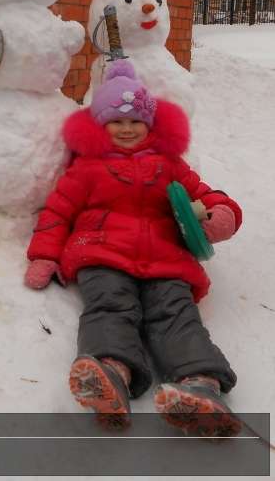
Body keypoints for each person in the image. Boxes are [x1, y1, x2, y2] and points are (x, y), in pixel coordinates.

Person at [24, 60, 242, 436]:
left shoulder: (170, 165)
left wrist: (220, 214)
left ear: (150, 124)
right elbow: (57, 212)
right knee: (111, 305)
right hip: (102, 251)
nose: (126, 129)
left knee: (175, 310)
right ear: (100, 125)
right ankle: (111, 374)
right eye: (116, 121)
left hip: (165, 257)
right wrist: (43, 254)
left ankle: (201, 386)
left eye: (135, 121)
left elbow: (206, 195)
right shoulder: (87, 169)